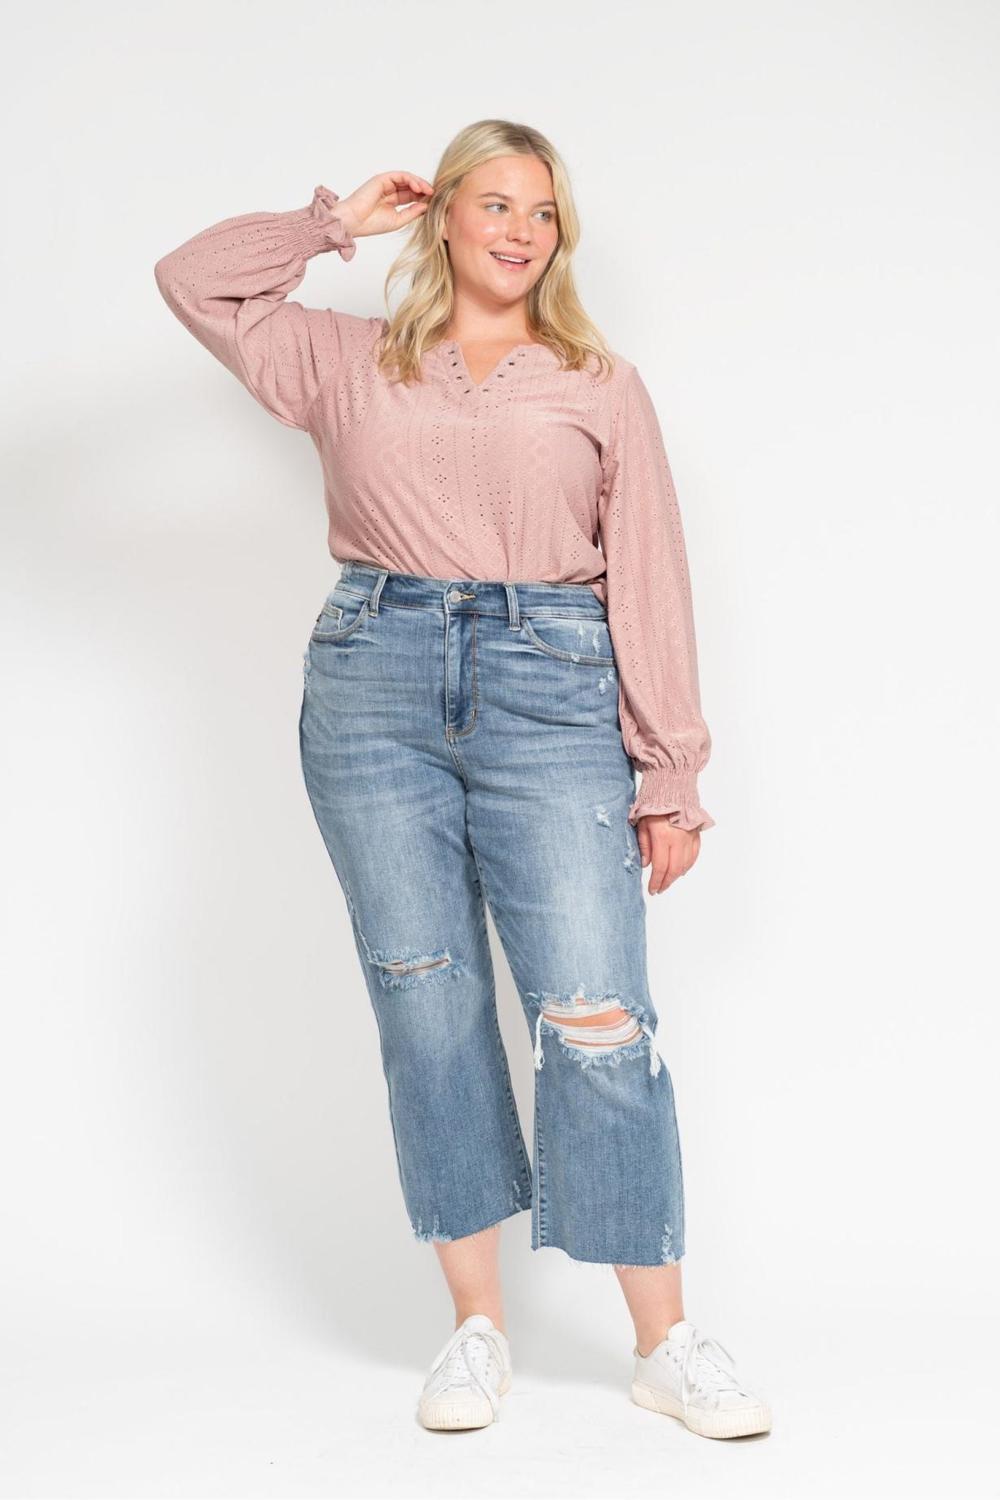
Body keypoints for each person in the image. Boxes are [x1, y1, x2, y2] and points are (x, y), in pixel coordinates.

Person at [153, 118, 772, 1441]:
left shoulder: (597, 383)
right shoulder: (347, 359)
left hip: (554, 693)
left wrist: (671, 769)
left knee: (595, 1010)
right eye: (494, 203)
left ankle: (665, 1344)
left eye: (543, 213)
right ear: (442, 215)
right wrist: (328, 226)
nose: (520, 231)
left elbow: (648, 574)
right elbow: (191, 281)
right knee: (426, 1005)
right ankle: (476, 1328)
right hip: (372, 692)